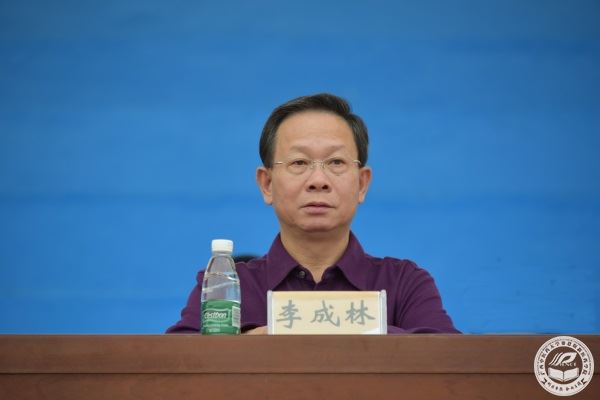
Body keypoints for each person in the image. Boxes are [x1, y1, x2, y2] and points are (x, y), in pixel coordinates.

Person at [167, 93, 460, 334]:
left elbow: (449, 364)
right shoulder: (227, 287)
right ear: (267, 184)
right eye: (299, 162)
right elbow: (176, 365)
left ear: (362, 183)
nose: (318, 180)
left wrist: (277, 337)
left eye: (336, 162)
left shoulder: (404, 283)